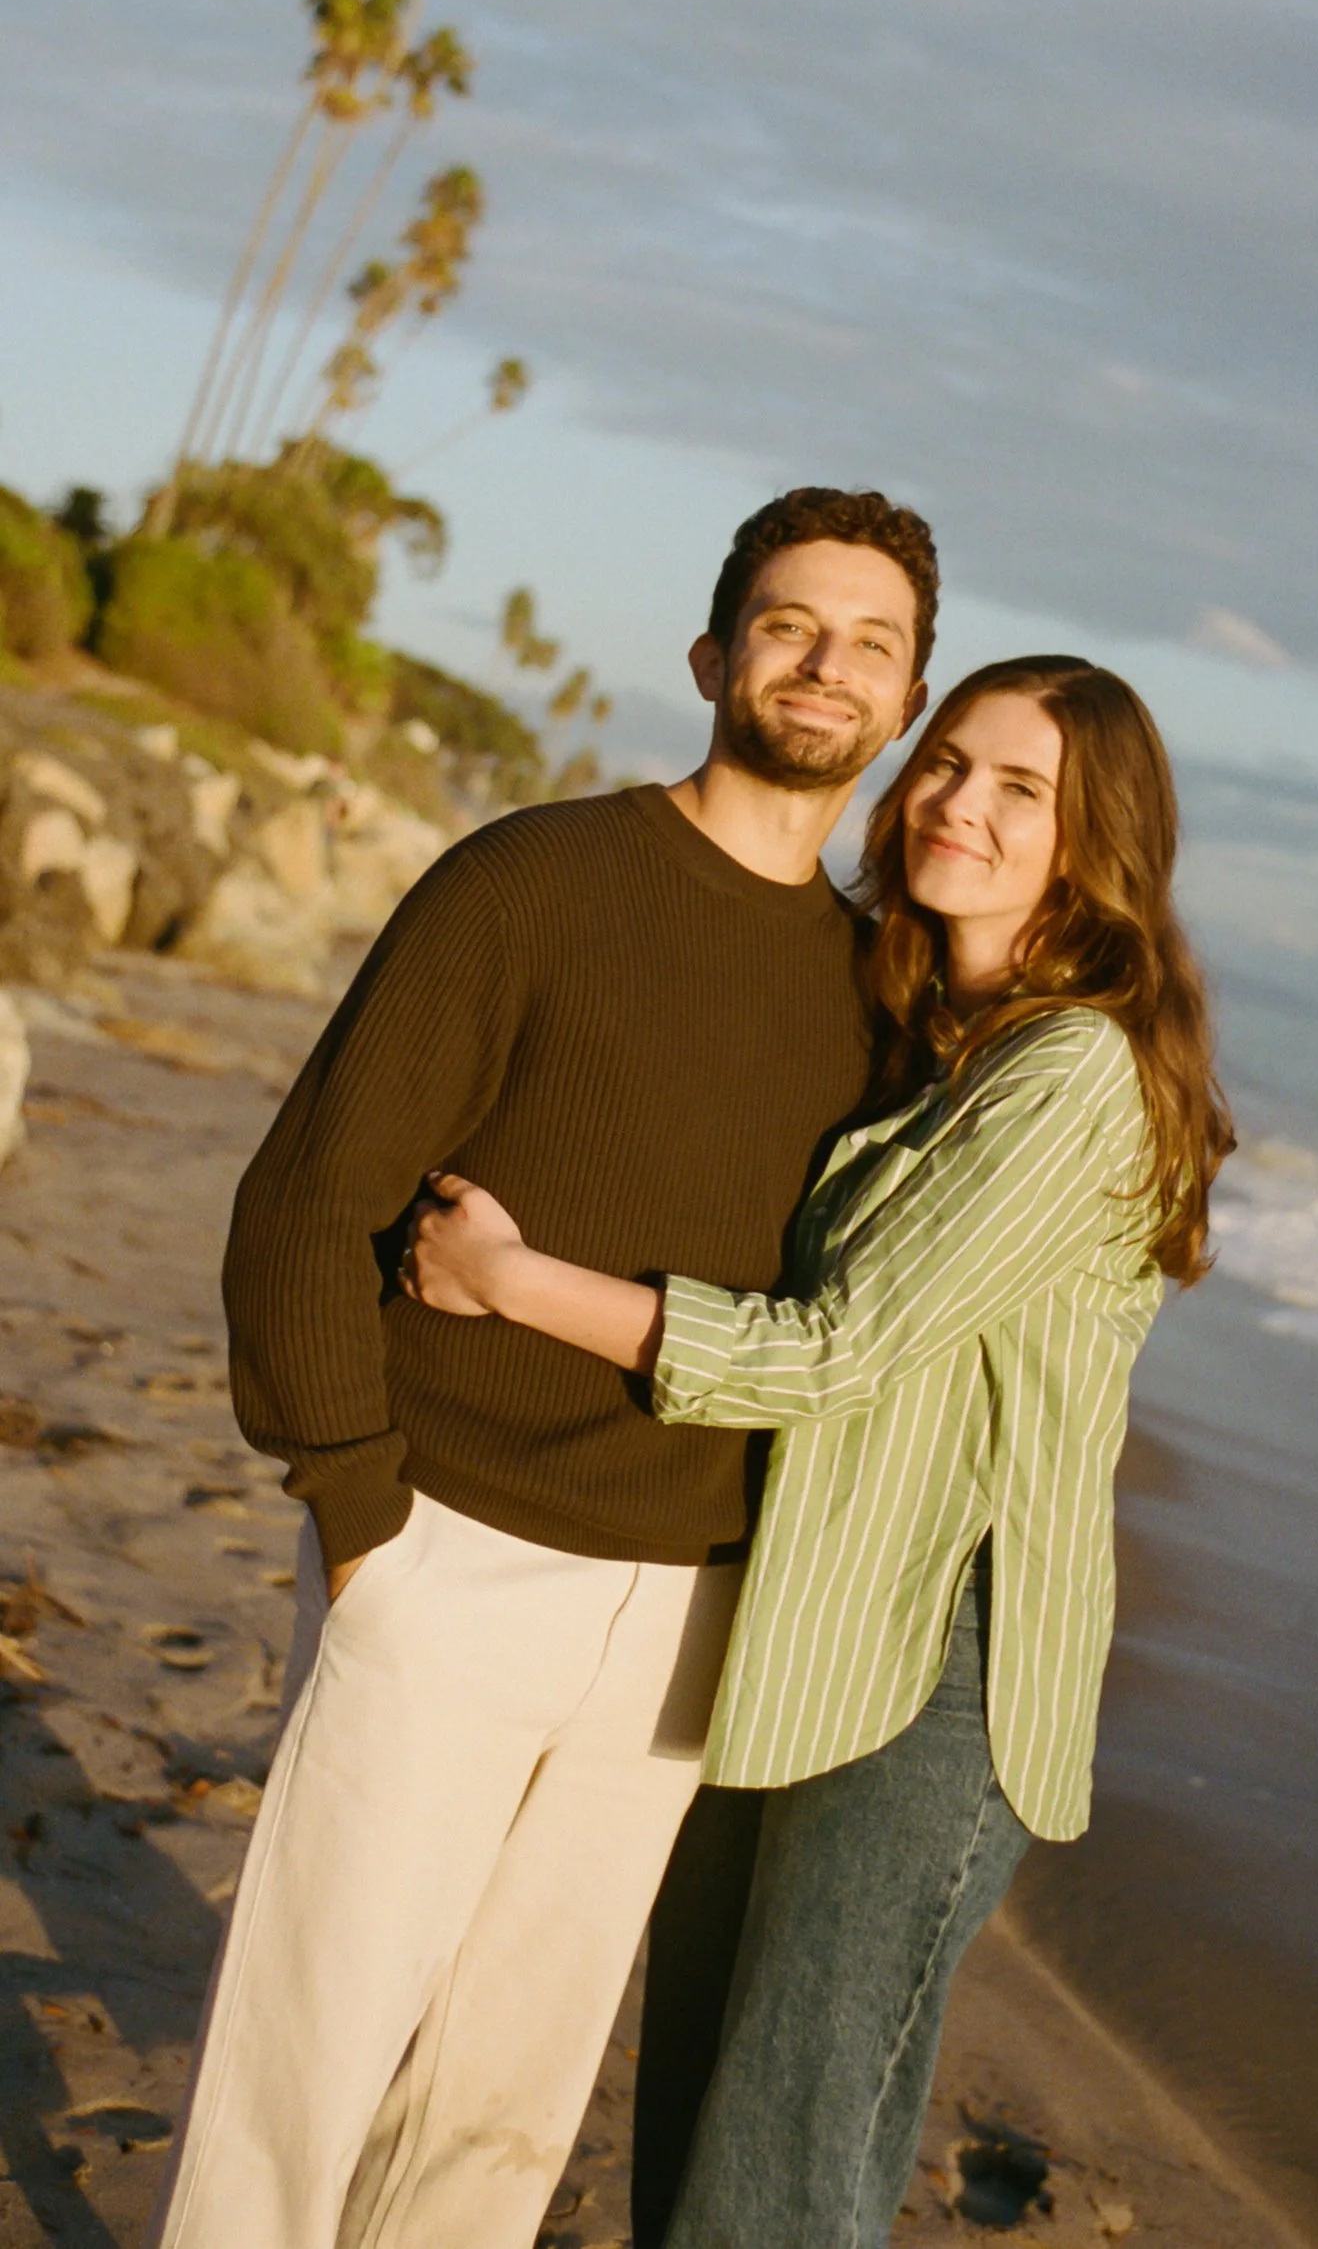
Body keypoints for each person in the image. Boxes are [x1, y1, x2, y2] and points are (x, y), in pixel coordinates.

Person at [146, 486, 938, 2249]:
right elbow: (306, 1198)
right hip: (450, 1540)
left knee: (506, 2105)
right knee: (314, 2042)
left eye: (871, 644)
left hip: (683, 1619)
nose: (827, 665)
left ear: (903, 705)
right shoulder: (533, 878)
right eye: (794, 624)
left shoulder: (881, 993)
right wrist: (361, 1515)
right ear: (715, 651)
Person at [407, 652, 1234, 2249]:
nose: (958, 805)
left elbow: (831, 1351)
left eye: (1019, 790)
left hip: (941, 1662)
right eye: (948, 763)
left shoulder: (1069, 1074)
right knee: (709, 2098)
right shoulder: (944, 1033)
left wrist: (511, 1282)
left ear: (1095, 842)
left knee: (783, 2149)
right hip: (805, 1617)